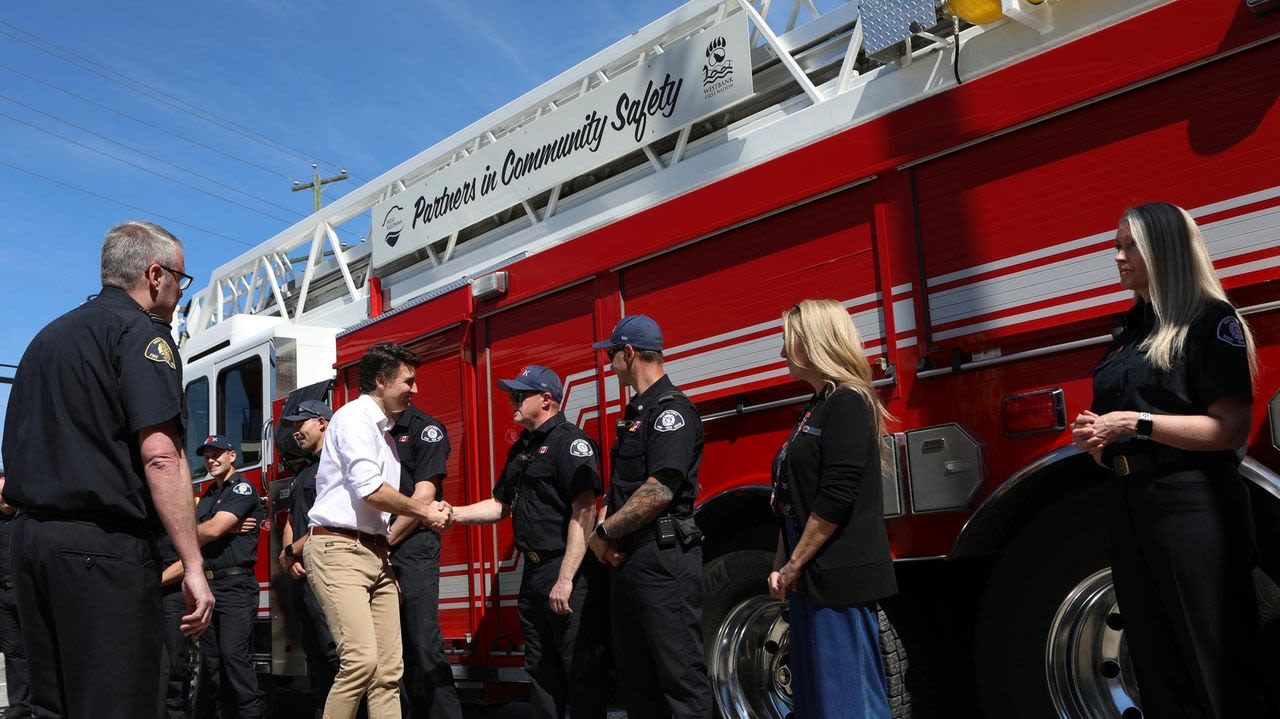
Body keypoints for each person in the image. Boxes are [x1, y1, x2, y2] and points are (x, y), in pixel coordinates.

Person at [0, 221, 214, 718]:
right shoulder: (141, 333)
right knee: (118, 704)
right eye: (182, 278)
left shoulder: (46, 339)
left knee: (52, 706)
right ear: (155, 274)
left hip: (31, 545)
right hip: (99, 549)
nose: (183, 290)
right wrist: (194, 566)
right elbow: (161, 454)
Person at [1071, 202, 1264, 717]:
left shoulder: (1209, 321)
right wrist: (1098, 444)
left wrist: (1134, 423)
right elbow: (1122, 433)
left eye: (1129, 245)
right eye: (1116, 245)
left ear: (1165, 248)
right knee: (1156, 665)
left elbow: (1229, 429)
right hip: (1131, 505)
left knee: (1215, 665)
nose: (1116, 256)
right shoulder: (1128, 331)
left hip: (1192, 507)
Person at [304, 341, 454, 719]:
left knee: (388, 672)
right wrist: (424, 510)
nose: (415, 390)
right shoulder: (354, 418)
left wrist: (387, 551)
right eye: (408, 381)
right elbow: (370, 490)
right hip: (338, 550)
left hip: (374, 554)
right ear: (381, 381)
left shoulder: (385, 435)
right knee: (360, 663)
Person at [453, 365, 607, 719]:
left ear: (547, 399)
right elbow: (501, 505)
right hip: (534, 575)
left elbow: (584, 511)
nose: (512, 400)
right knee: (540, 673)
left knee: (581, 674)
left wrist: (566, 579)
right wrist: (453, 513)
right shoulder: (522, 448)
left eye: (520, 395)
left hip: (567, 571)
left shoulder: (571, 442)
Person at [766, 299, 896, 718]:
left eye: (789, 340)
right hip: (811, 581)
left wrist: (792, 566)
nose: (782, 352)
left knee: (847, 703)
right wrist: (783, 560)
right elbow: (793, 496)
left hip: (838, 580)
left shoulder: (847, 401)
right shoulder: (816, 405)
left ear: (814, 341)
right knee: (819, 702)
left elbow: (836, 496)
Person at [584, 315, 712, 719]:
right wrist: (604, 539)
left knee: (680, 679)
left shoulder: (669, 412)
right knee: (637, 680)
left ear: (630, 353)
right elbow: (622, 487)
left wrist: (603, 532)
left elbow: (659, 490)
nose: (608, 363)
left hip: (663, 557)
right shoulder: (636, 413)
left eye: (611, 355)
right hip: (631, 562)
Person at [174, 435, 266, 719]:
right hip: (209, 586)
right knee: (210, 665)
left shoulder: (242, 487)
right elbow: (208, 530)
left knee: (234, 657)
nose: (211, 460)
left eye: (218, 454)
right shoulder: (207, 497)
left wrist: (214, 528)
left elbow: (211, 530)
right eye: (206, 456)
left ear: (232, 456)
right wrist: (216, 527)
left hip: (236, 585)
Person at [386, 402, 463, 719]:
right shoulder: (376, 431)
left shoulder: (424, 429)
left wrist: (385, 541)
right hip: (378, 547)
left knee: (422, 641)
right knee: (392, 649)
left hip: (411, 544)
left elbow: (424, 498)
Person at [278, 400, 343, 718]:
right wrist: (286, 554)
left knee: (336, 654)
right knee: (315, 655)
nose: (294, 432)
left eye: (299, 424)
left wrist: (293, 551)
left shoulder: (337, 465)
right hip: (303, 576)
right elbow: (292, 518)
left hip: (329, 572)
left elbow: (331, 520)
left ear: (321, 422)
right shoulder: (305, 472)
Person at [0, 468, 30, 719]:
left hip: (27, 592)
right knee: (13, 652)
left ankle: (46, 700)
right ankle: (20, 703)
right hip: (2, 594)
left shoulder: (27, 519)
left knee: (38, 648)